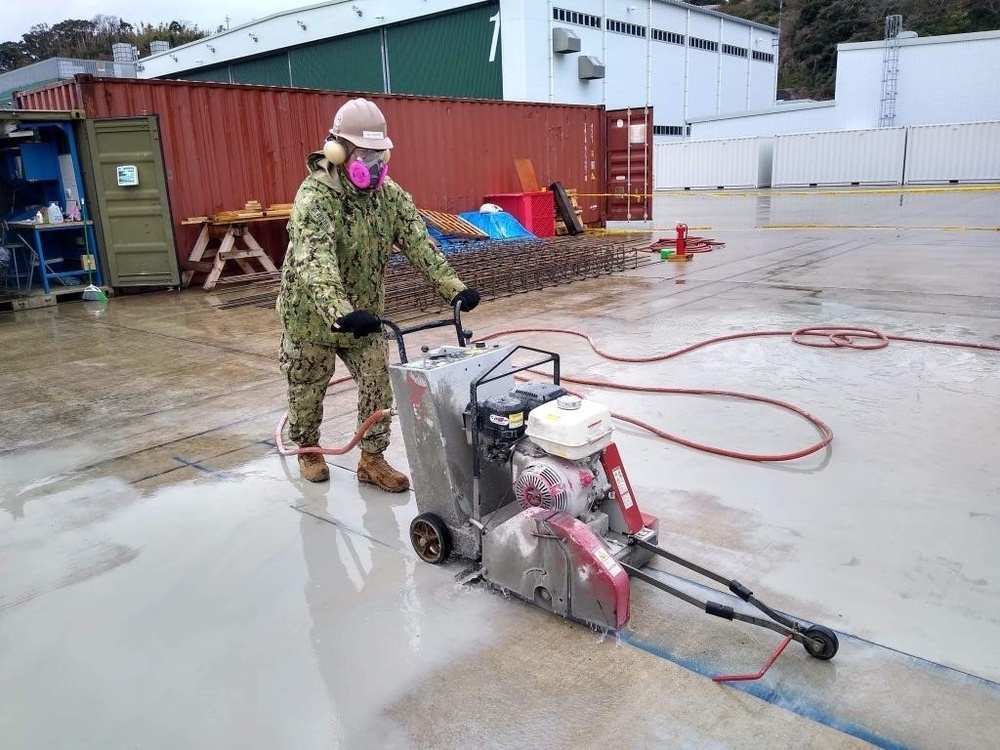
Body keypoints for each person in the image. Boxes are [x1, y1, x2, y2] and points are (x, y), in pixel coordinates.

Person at [276, 97, 480, 490]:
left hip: (366, 316)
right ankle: (307, 449)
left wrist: (453, 289)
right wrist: (339, 310)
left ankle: (372, 459)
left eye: (378, 154)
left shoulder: (390, 196)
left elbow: (420, 243)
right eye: (363, 153)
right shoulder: (314, 198)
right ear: (339, 150)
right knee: (306, 387)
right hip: (311, 317)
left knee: (378, 385)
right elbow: (314, 262)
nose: (372, 163)